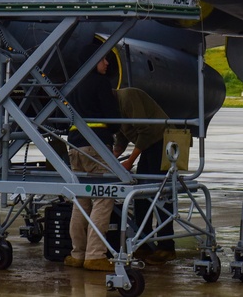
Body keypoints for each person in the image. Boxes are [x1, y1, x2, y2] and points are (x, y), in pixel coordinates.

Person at [65, 47, 121, 272]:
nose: (107, 63)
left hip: (75, 146)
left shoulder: (73, 85)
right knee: (103, 198)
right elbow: (112, 117)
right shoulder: (99, 83)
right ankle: (95, 255)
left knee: (81, 201)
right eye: (103, 59)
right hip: (96, 145)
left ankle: (77, 253)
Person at [112, 87, 176, 264]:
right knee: (141, 195)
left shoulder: (128, 97)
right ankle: (144, 242)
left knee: (160, 193)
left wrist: (129, 161)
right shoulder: (117, 106)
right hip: (147, 146)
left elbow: (145, 131)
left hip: (161, 142)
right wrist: (112, 158)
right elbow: (122, 135)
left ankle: (166, 246)